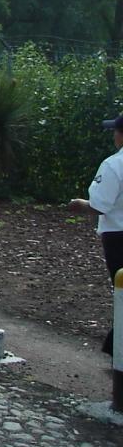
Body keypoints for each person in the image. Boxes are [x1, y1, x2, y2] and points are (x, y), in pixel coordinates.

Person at [69, 113, 123, 355]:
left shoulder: (114, 164)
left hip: (118, 235)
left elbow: (100, 205)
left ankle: (117, 349)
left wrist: (80, 204)